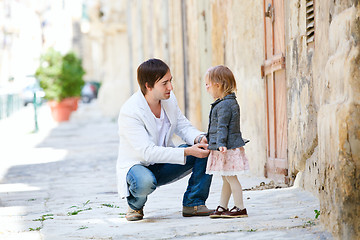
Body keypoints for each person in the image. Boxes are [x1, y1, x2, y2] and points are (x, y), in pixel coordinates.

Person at [116, 58, 213, 221]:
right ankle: (135, 205)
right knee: (145, 181)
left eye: (170, 81)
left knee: (205, 148)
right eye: (164, 83)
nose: (170, 87)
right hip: (138, 166)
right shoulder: (130, 112)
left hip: (163, 163)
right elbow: (147, 153)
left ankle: (193, 203)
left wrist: (199, 138)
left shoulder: (169, 99)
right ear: (148, 86)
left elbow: (183, 126)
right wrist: (188, 151)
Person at [204, 65, 250, 218]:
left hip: (226, 148)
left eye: (207, 85)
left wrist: (221, 144)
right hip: (226, 146)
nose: (207, 89)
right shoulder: (228, 102)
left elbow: (223, 126)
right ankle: (223, 206)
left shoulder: (224, 105)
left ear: (218, 85)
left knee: (231, 178)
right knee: (226, 177)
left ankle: (240, 207)